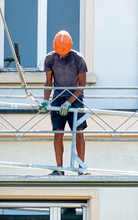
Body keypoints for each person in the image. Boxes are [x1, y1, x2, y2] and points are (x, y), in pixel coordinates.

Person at [39, 30, 88, 176]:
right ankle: (59, 170)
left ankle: (81, 169)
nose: (62, 55)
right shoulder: (50, 59)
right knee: (58, 133)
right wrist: (45, 101)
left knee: (78, 133)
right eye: (59, 52)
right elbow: (49, 82)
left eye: (64, 52)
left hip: (76, 98)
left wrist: (69, 102)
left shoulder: (78, 59)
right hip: (58, 97)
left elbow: (82, 84)